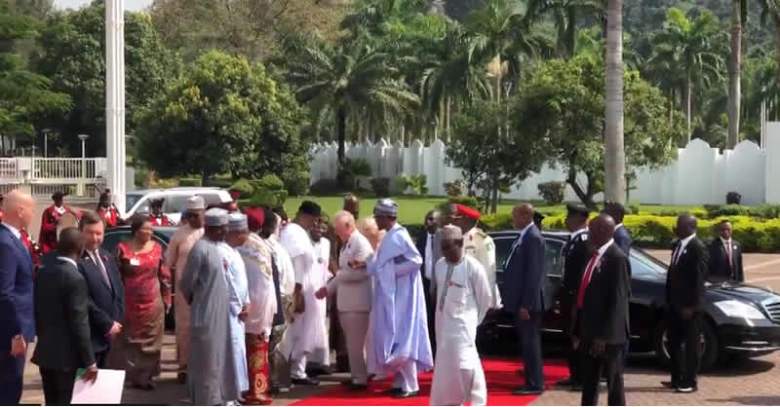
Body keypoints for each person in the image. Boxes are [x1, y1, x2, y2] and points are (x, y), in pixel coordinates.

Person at [367, 198, 433, 398]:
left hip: (403, 296)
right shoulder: (390, 236)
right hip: (392, 294)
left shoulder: (399, 236)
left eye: (378, 217)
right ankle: (399, 381)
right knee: (393, 335)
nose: (376, 220)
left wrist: (391, 272)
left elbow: (416, 261)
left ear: (387, 217)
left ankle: (411, 385)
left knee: (402, 336)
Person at [179, 208, 242, 405]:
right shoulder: (200, 249)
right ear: (215, 229)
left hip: (219, 315)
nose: (226, 232)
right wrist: (199, 303)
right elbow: (186, 283)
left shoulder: (215, 247)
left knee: (220, 359)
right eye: (224, 228)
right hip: (205, 317)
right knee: (207, 362)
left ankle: (219, 398)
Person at [32, 228, 98, 405]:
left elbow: (37, 310)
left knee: (51, 400)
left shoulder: (42, 273)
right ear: (81, 249)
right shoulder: (75, 278)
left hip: (45, 354)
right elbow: (79, 323)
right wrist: (90, 361)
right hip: (67, 359)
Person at [429, 225, 492, 406]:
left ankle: (477, 400)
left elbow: (485, 299)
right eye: (442, 247)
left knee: (466, 365)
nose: (444, 252)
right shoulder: (440, 265)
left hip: (464, 326)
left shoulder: (473, 267)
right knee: (445, 365)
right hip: (443, 325)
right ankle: (448, 401)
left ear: (459, 243)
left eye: (448, 247)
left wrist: (474, 322)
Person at [574, 214, 630, 406]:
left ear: (603, 231)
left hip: (608, 335)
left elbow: (618, 301)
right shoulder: (594, 255)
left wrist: (604, 336)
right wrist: (578, 329)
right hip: (590, 329)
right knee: (590, 379)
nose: (588, 233)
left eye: (591, 230)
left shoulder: (617, 258)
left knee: (614, 381)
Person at [315, 211, 373, 390]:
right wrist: (329, 288)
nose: (336, 232)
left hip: (357, 303)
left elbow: (361, 273)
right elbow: (344, 272)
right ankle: (356, 374)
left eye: (338, 229)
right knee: (352, 344)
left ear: (348, 226)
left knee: (356, 344)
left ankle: (360, 378)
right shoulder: (347, 244)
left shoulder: (360, 243)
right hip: (347, 302)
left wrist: (338, 276)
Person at [115, 215, 172, 390]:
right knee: (129, 341)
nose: (149, 232)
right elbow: (116, 276)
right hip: (129, 303)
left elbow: (165, 277)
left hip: (152, 303)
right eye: (145, 229)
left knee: (152, 341)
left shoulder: (157, 249)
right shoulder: (122, 249)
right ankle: (132, 376)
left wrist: (167, 298)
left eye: (150, 229)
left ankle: (147, 377)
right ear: (135, 230)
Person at [277, 201, 325, 386]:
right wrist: (298, 293)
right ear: (307, 216)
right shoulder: (293, 233)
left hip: (307, 289)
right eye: (314, 219)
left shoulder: (299, 232)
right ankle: (287, 373)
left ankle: (298, 370)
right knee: (294, 332)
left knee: (304, 332)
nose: (315, 224)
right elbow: (297, 265)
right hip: (299, 289)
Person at [502, 203, 547, 396]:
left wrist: (526, 305)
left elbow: (533, 274)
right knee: (527, 343)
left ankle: (535, 383)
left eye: (515, 215)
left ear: (525, 216)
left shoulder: (533, 238)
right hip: (521, 300)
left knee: (531, 344)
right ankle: (531, 379)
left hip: (528, 303)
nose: (513, 219)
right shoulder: (524, 235)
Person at [236, 210, 277, 405]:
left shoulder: (240, 244)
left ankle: (251, 390)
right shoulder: (261, 245)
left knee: (248, 347)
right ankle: (258, 389)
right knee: (259, 346)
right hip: (263, 302)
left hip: (249, 302)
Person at [664, 214, 707, 394]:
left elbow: (699, 279)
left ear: (690, 227)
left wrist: (693, 306)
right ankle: (676, 378)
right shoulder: (678, 245)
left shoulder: (697, 247)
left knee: (691, 345)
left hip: (689, 307)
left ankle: (690, 381)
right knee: (673, 342)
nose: (676, 227)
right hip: (674, 304)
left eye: (679, 225)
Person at [164, 196, 205, 383]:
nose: (194, 219)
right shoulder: (179, 235)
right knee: (184, 329)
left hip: (206, 291)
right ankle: (184, 366)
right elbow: (168, 262)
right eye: (191, 215)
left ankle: (202, 367)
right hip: (184, 293)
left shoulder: (210, 233)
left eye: (197, 215)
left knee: (204, 328)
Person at [0, 190, 36, 403]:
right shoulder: (5, 242)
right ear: (20, 211)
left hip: (16, 330)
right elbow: (5, 293)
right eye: (31, 209)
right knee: (9, 390)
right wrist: (15, 334)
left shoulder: (13, 238)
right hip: (10, 334)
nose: (33, 214)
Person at [78, 211, 125, 368]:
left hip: (111, 336)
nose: (94, 238)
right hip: (91, 338)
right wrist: (107, 324)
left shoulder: (107, 256)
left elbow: (118, 290)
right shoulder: (77, 260)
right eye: (89, 233)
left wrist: (117, 321)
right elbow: (83, 298)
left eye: (98, 233)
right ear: (80, 232)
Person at [258, 209, 296, 394]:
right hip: (279, 297)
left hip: (281, 297)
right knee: (277, 343)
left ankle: (276, 381)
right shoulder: (269, 246)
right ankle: (276, 381)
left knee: (277, 343)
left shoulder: (271, 247)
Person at [557, 203, 591, 390]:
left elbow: (582, 274)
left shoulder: (584, 241)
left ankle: (581, 377)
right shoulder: (573, 240)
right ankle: (574, 375)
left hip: (577, 298)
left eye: (570, 217)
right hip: (568, 297)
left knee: (578, 338)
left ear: (581, 219)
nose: (566, 220)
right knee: (569, 337)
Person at [224, 214, 251, 402]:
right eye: (244, 232)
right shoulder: (223, 253)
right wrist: (237, 307)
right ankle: (228, 397)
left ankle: (235, 394)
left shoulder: (235, 252)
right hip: (228, 312)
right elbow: (228, 284)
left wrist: (246, 301)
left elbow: (242, 282)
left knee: (238, 352)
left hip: (238, 312)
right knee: (230, 354)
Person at [452, 204, 500, 309]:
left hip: (476, 298)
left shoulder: (482, 240)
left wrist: (488, 302)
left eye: (456, 219)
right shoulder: (455, 238)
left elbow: (488, 273)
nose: (453, 222)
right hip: (458, 297)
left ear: (466, 220)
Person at [309, 221, 331, 372]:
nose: (319, 230)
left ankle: (322, 361)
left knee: (322, 325)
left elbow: (327, 264)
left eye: (322, 228)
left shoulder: (326, 243)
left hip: (322, 288)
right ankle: (308, 361)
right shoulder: (305, 242)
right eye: (316, 227)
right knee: (309, 325)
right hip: (308, 288)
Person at [416, 210, 440, 352]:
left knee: (438, 319)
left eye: (431, 219)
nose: (428, 222)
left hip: (440, 284)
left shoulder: (443, 238)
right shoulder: (422, 237)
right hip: (424, 283)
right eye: (426, 219)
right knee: (425, 318)